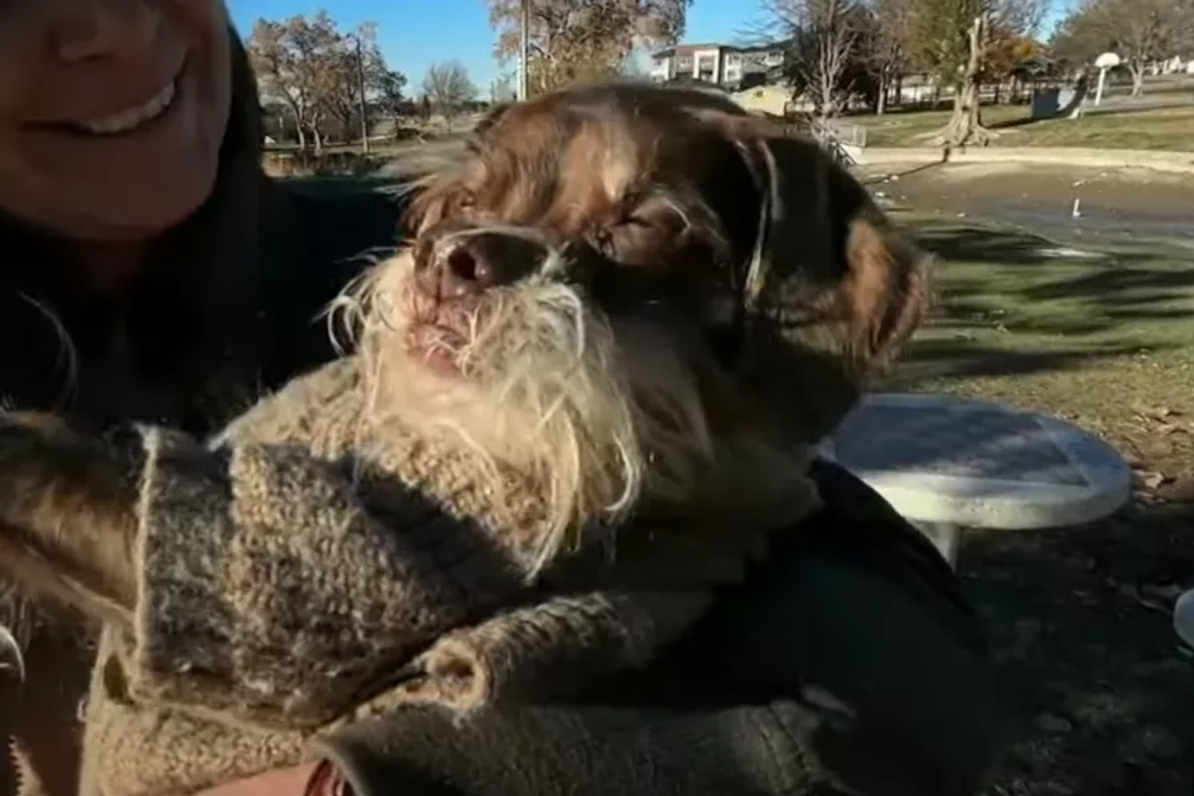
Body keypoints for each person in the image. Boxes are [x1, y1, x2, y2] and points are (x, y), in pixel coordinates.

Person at [0, 2, 1004, 796]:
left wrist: (381, 778)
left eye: (636, 223)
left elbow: (902, 659)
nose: (112, 24)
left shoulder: (397, 280)